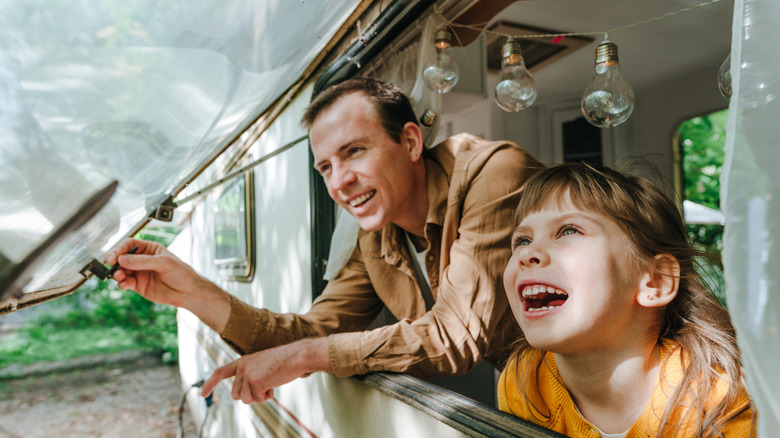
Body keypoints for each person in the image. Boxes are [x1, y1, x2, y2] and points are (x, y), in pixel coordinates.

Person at [105, 78, 543, 404]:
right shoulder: (373, 235)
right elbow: (311, 332)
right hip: (533, 396)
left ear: (410, 142)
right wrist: (191, 291)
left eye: (354, 151)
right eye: (326, 168)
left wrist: (303, 357)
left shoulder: (492, 173)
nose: (341, 182)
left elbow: (455, 338)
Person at [497, 163, 756, 437]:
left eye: (568, 231)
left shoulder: (720, 400)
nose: (527, 254)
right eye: (522, 240)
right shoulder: (524, 380)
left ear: (655, 281)